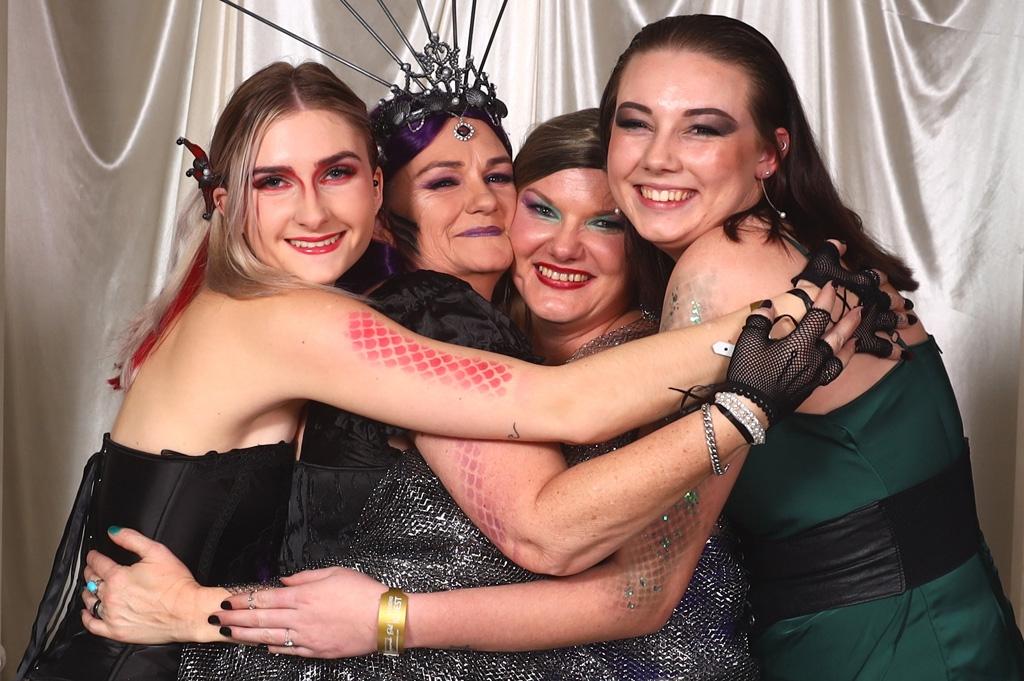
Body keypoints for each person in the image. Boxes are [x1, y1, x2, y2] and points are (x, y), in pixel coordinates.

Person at [18, 58, 855, 681]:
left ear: (372, 185)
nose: (313, 209)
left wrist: (199, 609)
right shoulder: (289, 319)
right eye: (275, 181)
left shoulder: (280, 309)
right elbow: (557, 420)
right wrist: (780, 322)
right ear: (225, 199)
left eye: (337, 172)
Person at [593, 14, 1024, 680]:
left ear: (770, 153)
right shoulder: (809, 249)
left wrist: (416, 616)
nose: (657, 157)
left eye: (702, 128)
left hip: (874, 650)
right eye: (635, 123)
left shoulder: (723, 267)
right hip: (955, 630)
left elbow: (645, 585)